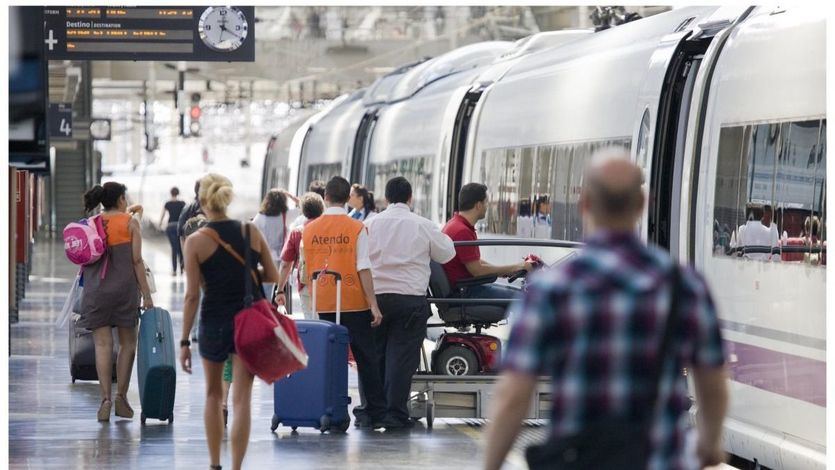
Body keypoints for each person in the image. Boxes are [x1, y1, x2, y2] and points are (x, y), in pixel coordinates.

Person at [484, 150, 728, 470]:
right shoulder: (684, 285)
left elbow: (513, 394)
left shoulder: (551, 289)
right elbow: (712, 382)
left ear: (584, 203)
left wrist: (490, 466)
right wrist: (709, 443)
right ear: (642, 204)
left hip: (578, 461)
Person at [179, 174, 280, 470]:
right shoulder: (250, 230)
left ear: (202, 202)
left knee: (212, 394)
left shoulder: (195, 241)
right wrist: (245, 275)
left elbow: (191, 296)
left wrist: (184, 341)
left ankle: (214, 465)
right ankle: (236, 466)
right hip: (248, 322)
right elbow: (273, 275)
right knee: (241, 400)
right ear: (227, 198)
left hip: (213, 321)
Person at [365, 176, 455, 429]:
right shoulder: (422, 225)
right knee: (401, 359)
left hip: (374, 299)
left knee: (374, 357)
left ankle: (372, 413)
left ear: (386, 198)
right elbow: (447, 254)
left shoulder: (369, 224)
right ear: (410, 197)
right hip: (409, 300)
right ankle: (395, 415)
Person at [302, 176, 387, 428]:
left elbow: (306, 271)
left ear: (325, 197)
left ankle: (330, 410)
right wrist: (373, 303)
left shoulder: (309, 229)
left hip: (323, 303)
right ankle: (375, 412)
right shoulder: (356, 228)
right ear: (348, 197)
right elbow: (363, 267)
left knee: (328, 359)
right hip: (354, 302)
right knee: (366, 358)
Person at [78, 182, 154, 422]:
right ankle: (121, 396)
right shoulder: (131, 223)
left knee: (102, 345)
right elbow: (137, 261)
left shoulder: (92, 224)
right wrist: (147, 295)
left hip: (96, 293)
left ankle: (105, 399)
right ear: (121, 199)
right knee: (127, 344)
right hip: (124, 292)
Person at [442, 183, 533, 299]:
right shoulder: (462, 232)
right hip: (466, 292)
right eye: (486, 203)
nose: (487, 207)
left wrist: (505, 271)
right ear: (478, 205)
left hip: (465, 288)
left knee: (515, 292)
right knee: (521, 298)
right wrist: (516, 267)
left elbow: (474, 262)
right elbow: (478, 271)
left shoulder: (455, 225)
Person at [275, 192, 325, 319]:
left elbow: (286, 264)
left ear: (303, 211)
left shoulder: (297, 232)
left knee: (311, 320)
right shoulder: (329, 230)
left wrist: (280, 290)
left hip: (305, 281)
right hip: (329, 281)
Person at [252, 189, 292, 298]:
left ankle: (266, 306)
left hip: (265, 257)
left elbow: (251, 234)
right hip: (282, 257)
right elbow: (303, 208)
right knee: (279, 287)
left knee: (266, 290)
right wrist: (291, 197)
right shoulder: (286, 215)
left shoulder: (260, 217)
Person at [159, 187, 187, 275]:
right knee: (180, 248)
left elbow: (163, 215)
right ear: (178, 193)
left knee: (174, 248)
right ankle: (182, 269)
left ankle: (174, 270)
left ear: (171, 193)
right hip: (179, 226)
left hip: (170, 227)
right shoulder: (182, 203)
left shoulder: (167, 203)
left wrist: (160, 224)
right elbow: (185, 214)